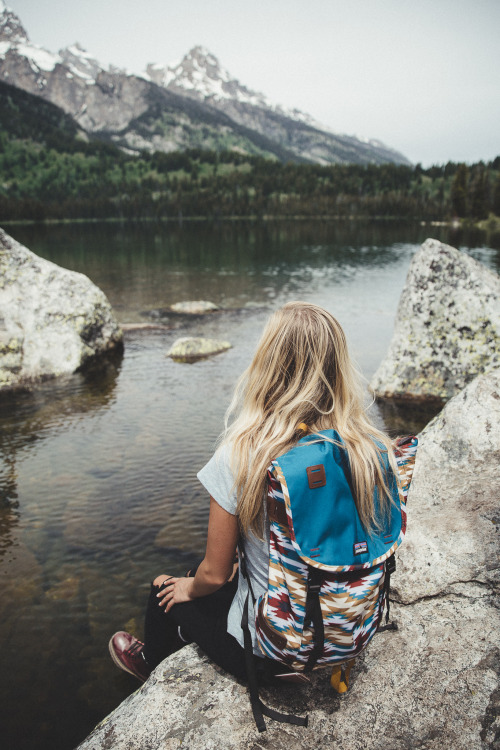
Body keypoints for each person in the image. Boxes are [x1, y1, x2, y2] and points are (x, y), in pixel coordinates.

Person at [109, 301, 398, 685]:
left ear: (269, 363)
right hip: (350, 620)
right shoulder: (367, 448)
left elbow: (212, 575)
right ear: (337, 366)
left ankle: (150, 662)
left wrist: (187, 587)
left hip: (274, 640)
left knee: (168, 590)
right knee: (217, 574)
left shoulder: (242, 453)